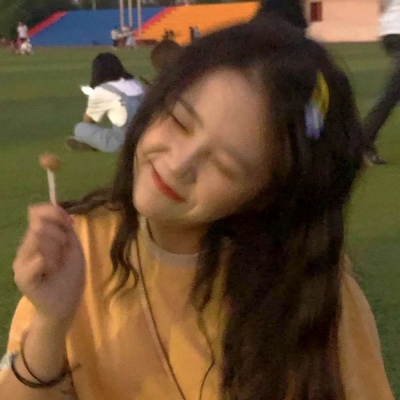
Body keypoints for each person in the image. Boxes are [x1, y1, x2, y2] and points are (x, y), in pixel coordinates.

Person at [0, 16, 394, 400]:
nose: (178, 165)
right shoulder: (77, 245)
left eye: (225, 166)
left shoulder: (306, 285)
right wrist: (51, 323)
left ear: (264, 196)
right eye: (179, 121)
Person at [68, 52, 144, 152]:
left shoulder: (103, 90)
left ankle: (87, 141)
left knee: (80, 128)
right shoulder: (136, 83)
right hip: (147, 136)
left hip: (124, 142)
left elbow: (88, 120)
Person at [363, 0, 400, 165]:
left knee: (393, 92)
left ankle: (364, 142)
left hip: (390, 32)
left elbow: (383, 5)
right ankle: (363, 142)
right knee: (392, 93)